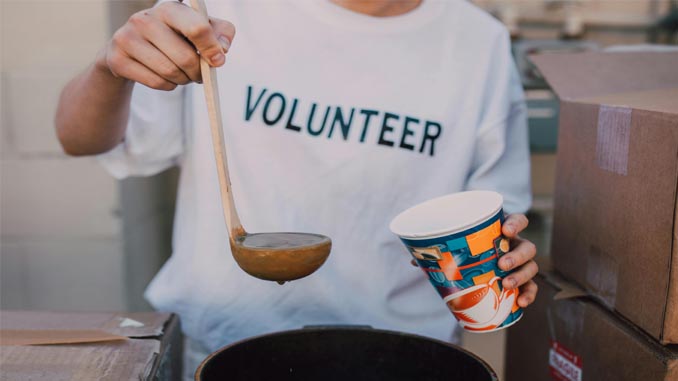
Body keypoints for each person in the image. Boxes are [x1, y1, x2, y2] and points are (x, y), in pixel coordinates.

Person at [56, 0, 539, 378]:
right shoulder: (212, 14)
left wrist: (508, 253)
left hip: (402, 354)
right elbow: (79, 139)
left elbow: (496, 212)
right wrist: (109, 66)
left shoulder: (479, 42)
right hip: (218, 347)